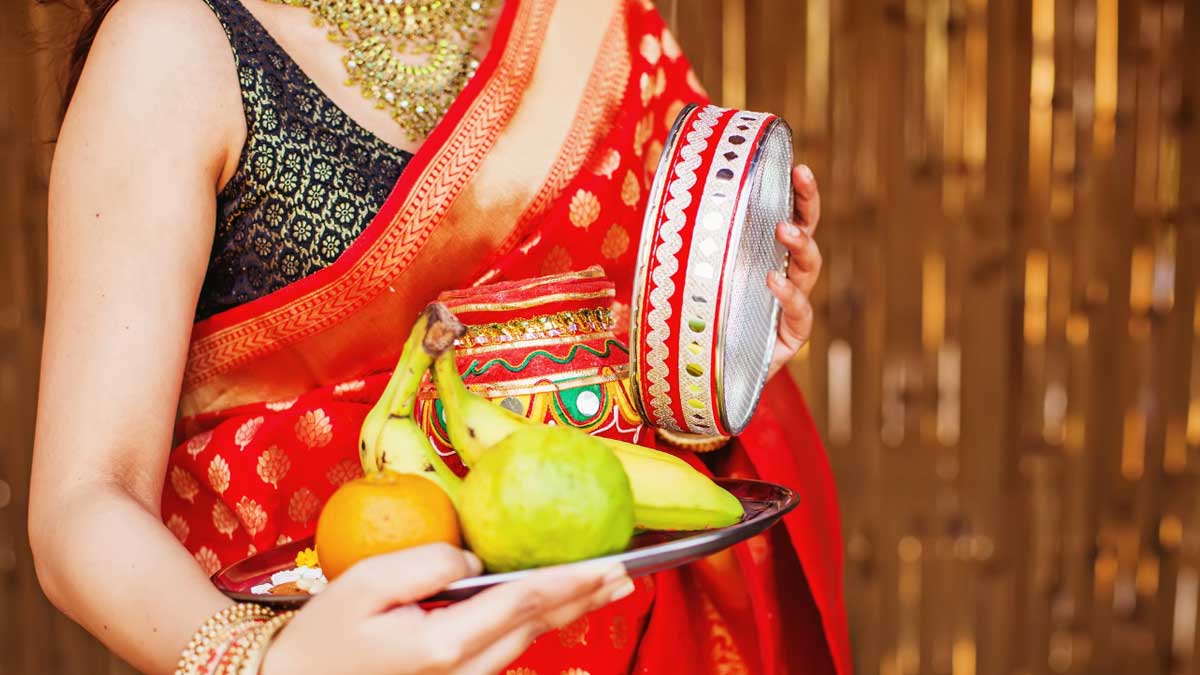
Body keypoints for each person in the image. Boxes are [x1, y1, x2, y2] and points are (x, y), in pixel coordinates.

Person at [28, 0, 848, 673]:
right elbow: (84, 500)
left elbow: (645, 351)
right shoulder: (173, 48)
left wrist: (723, 348)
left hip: (634, 636)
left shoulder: (589, 22)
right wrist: (267, 663)